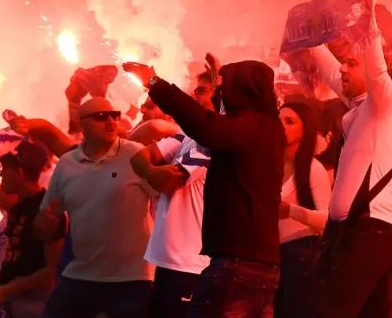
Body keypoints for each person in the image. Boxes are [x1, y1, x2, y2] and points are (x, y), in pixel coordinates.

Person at [125, 58, 285, 318]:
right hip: (249, 263)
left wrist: (155, 83)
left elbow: (205, 126)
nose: (221, 94)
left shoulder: (251, 127)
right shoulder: (262, 128)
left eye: (226, 87)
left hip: (237, 265)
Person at [304, 0, 392, 318]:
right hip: (361, 233)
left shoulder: (387, 104)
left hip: (371, 232)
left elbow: (376, 71)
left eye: (351, 63)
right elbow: (330, 70)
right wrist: (308, 32)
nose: (343, 69)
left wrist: (367, 20)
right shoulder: (362, 107)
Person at [34, 97, 157, 318]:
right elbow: (45, 226)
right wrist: (46, 225)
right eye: (101, 117)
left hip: (132, 277)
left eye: (114, 115)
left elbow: (166, 198)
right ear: (81, 124)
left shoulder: (135, 153)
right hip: (82, 273)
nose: (110, 122)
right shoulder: (66, 164)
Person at [130, 69, 217, 318]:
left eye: (202, 90)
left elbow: (166, 180)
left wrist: (152, 171)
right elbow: (139, 158)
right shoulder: (187, 136)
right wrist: (151, 170)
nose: (194, 95)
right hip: (168, 260)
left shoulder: (209, 143)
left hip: (190, 263)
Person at [0, 140, 60, 318]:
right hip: (10, 300)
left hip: (33, 304)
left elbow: (53, 270)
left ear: (19, 173)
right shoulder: (18, 206)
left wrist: (6, 290)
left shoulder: (47, 211)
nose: (0, 175)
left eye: (3, 170)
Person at [273, 101, 330, 317]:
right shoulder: (269, 166)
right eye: (278, 121)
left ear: (305, 131)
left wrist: (291, 211)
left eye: (290, 122)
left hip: (302, 256)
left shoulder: (312, 169)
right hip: (271, 258)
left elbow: (328, 220)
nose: (281, 126)